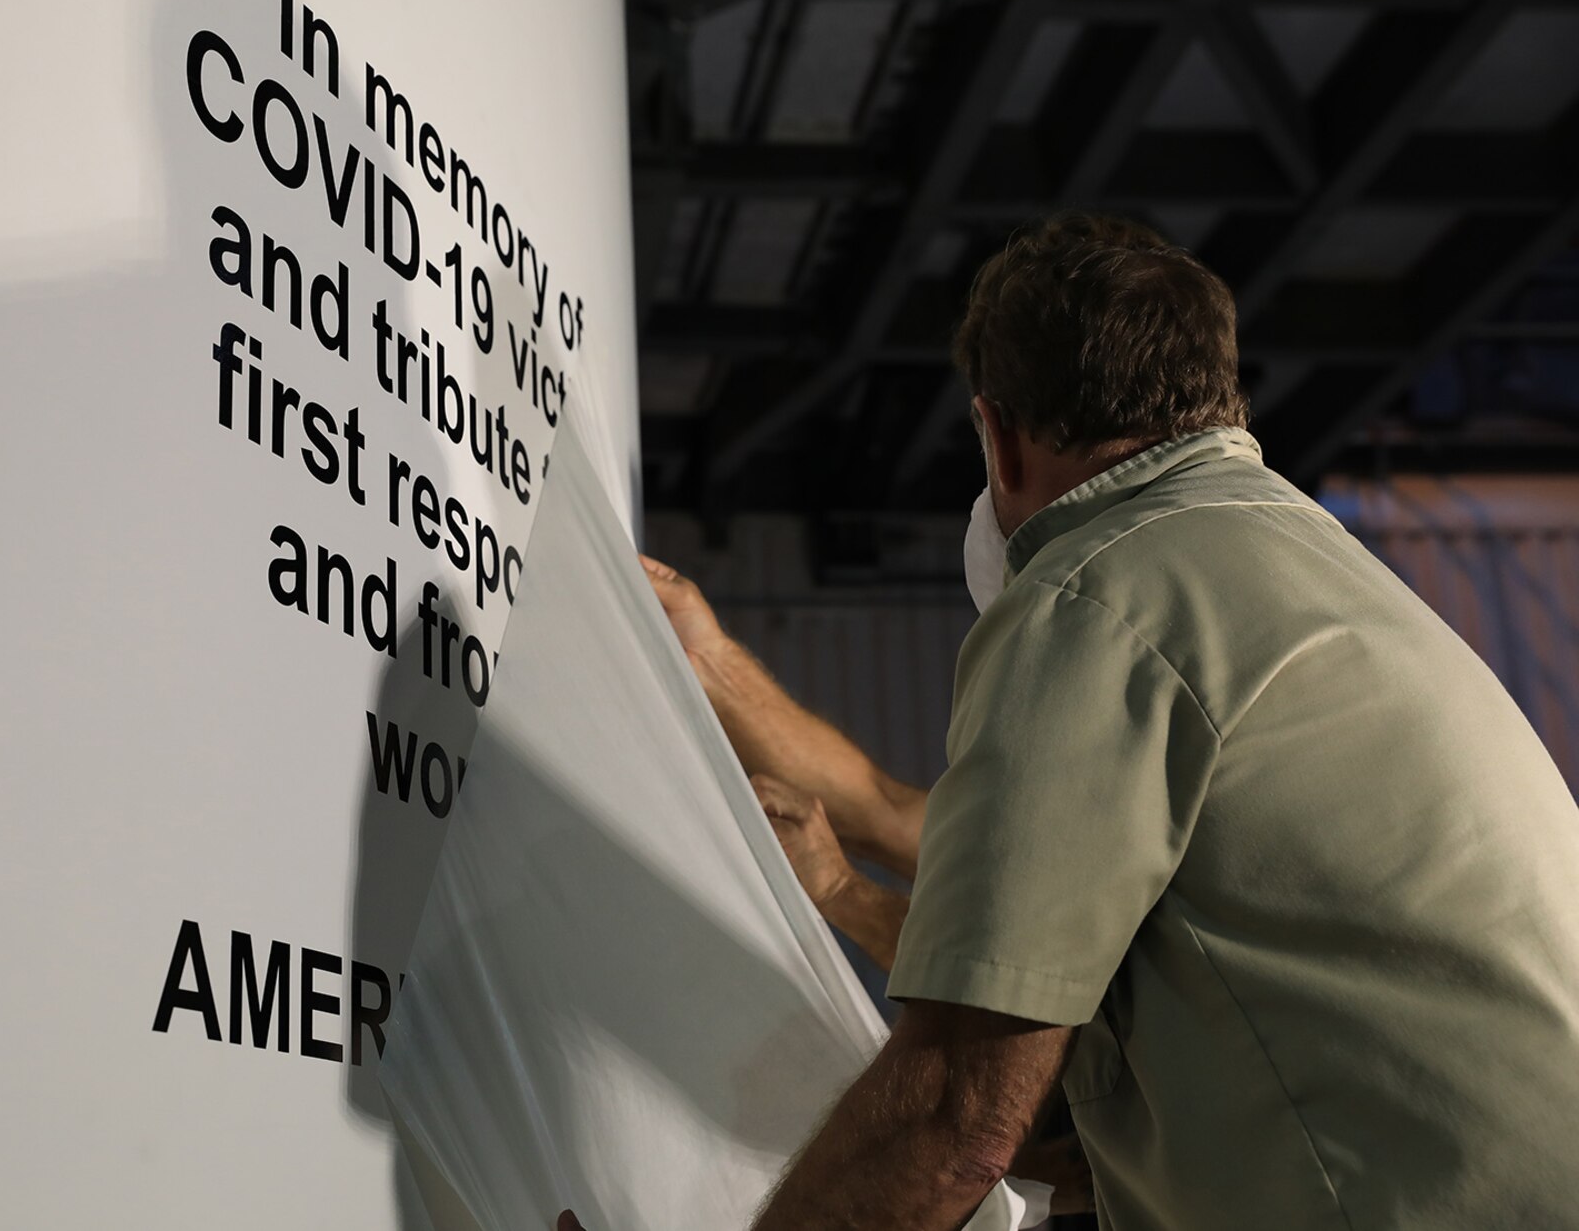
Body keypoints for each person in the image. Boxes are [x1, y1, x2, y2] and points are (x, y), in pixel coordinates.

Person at [564, 213, 1579, 1230]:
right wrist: (705, 664)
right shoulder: (1281, 563)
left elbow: (958, 1114)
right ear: (1217, 398)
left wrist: (836, 890)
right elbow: (924, 830)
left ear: (996, 435)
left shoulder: (1095, 594)